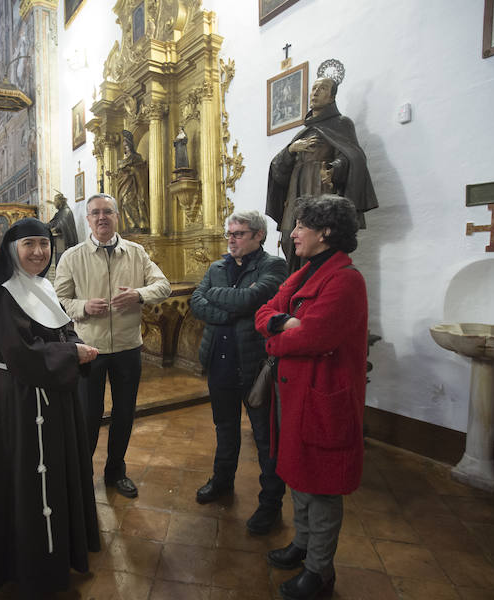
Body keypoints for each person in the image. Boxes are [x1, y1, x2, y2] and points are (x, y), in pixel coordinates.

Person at [0, 217, 101, 596]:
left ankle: (60, 549)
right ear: (13, 250)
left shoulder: (42, 286)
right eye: (30, 245)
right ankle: (29, 564)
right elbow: (20, 353)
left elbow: (61, 327)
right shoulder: (5, 293)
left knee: (56, 470)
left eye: (44, 244)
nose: (39, 252)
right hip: (21, 397)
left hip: (53, 392)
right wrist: (72, 353)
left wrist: (74, 343)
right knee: (25, 476)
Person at [255, 195, 368, 600]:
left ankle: (320, 571)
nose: (293, 232)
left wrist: (275, 339)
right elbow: (265, 312)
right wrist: (283, 322)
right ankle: (303, 544)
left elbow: (316, 336)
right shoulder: (302, 274)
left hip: (322, 396)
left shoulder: (345, 280)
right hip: (294, 393)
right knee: (297, 473)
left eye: (302, 225)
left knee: (320, 484)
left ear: (326, 232)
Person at [54, 193, 171, 498]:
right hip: (88, 350)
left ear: (118, 217)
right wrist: (82, 307)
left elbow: (164, 286)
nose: (102, 217)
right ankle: (81, 475)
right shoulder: (72, 257)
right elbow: (58, 302)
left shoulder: (136, 253)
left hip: (127, 348)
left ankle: (115, 472)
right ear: (88, 220)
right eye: (95, 213)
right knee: (88, 416)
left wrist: (138, 294)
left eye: (108, 212)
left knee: (124, 414)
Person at [190, 210, 288, 535]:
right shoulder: (217, 266)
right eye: (229, 234)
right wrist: (234, 308)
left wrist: (218, 299)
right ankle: (222, 481)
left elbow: (252, 299)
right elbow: (195, 301)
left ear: (258, 235)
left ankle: (270, 504)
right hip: (219, 362)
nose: (231, 239)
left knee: (264, 438)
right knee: (225, 428)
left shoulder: (273, 266)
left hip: (255, 365)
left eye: (239, 234)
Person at [266, 77, 377, 273]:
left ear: (332, 96)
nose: (315, 92)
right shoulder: (303, 133)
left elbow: (351, 157)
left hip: (319, 192)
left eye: (322, 88)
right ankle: (295, 293)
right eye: (314, 88)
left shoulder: (341, 124)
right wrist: (291, 150)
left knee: (318, 243)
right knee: (288, 240)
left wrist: (333, 169)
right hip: (296, 195)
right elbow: (278, 170)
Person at [114, 130, 150, 233]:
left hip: (134, 185)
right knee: (124, 203)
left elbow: (141, 169)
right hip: (124, 184)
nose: (124, 145)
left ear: (130, 144)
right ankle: (131, 226)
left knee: (130, 202)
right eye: (123, 144)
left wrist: (132, 170)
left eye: (126, 143)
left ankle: (139, 225)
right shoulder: (123, 160)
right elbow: (119, 174)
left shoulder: (136, 157)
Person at [47, 192, 78, 264]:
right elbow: (53, 222)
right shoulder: (59, 213)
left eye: (55, 201)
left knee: (64, 262)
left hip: (65, 243)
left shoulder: (66, 211)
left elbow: (61, 225)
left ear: (60, 201)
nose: (54, 203)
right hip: (59, 242)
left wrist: (54, 229)